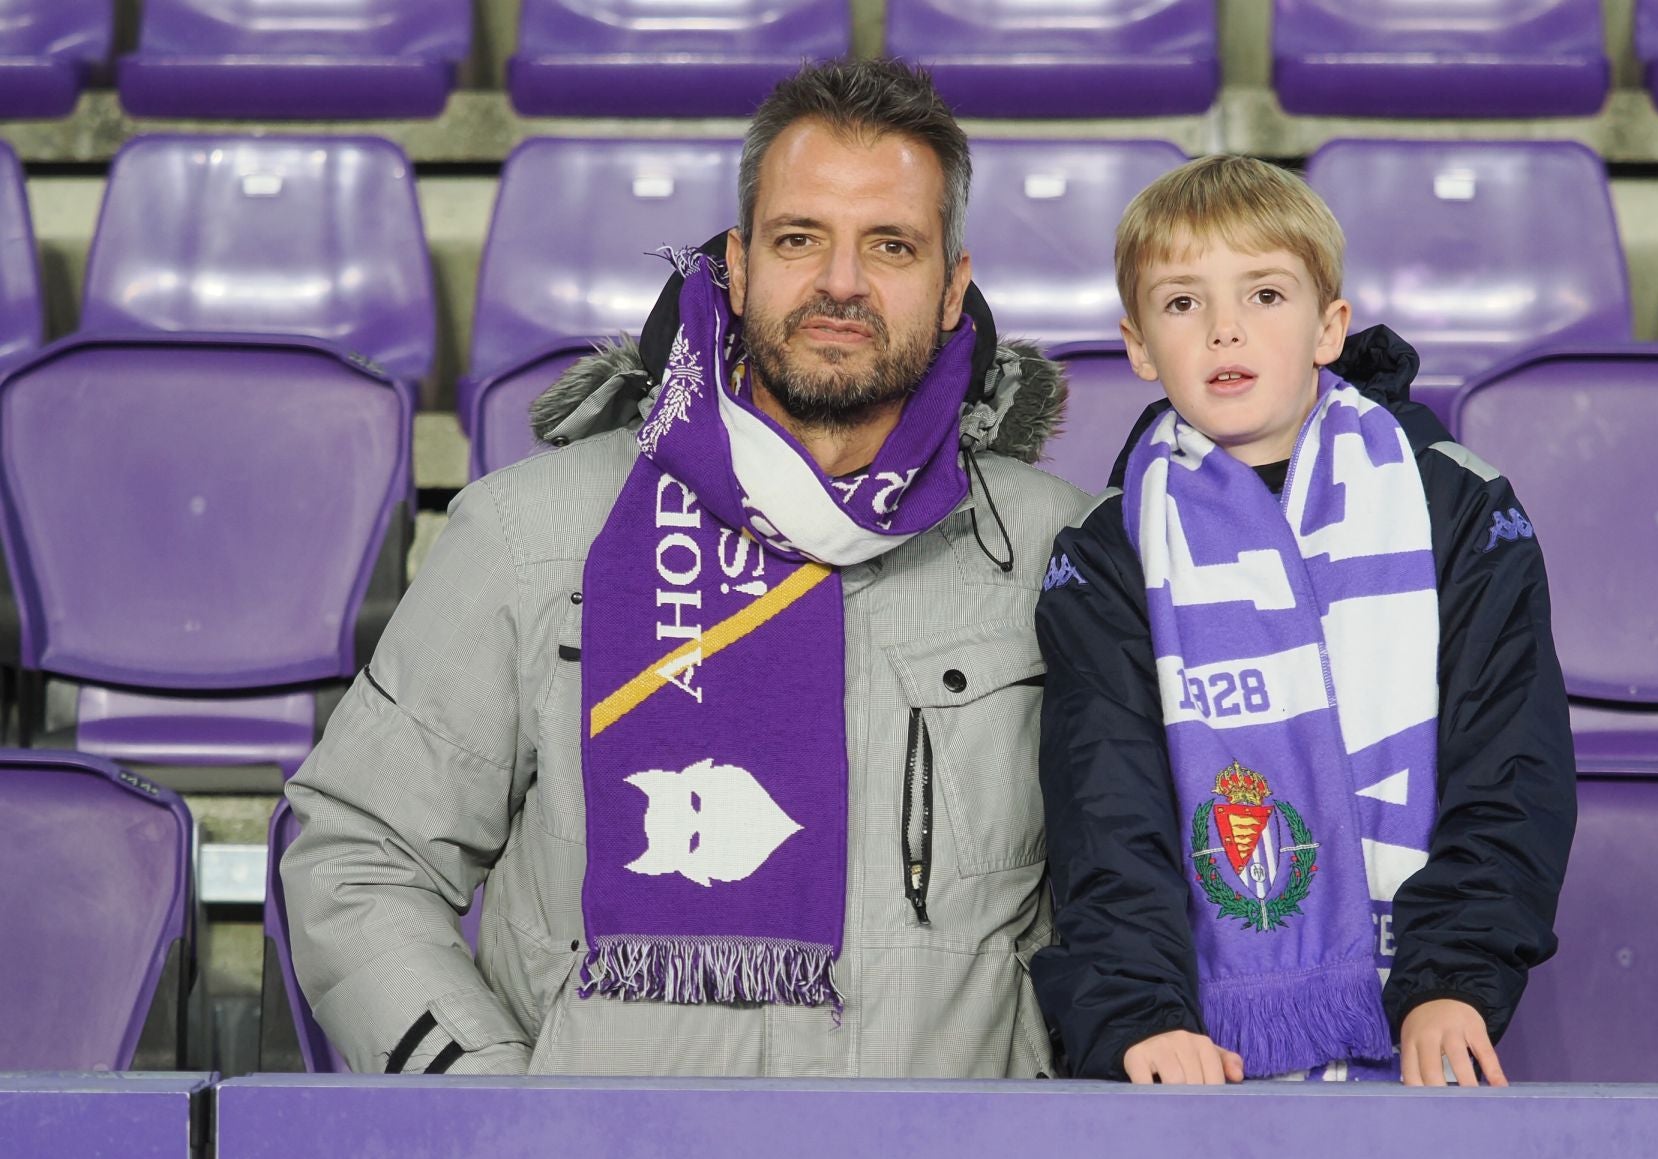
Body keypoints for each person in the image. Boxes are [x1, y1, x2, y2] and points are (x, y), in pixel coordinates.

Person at [282, 59, 1089, 1077]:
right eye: (802, 240)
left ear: (951, 288)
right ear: (739, 268)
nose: (842, 283)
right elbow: (359, 854)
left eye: (891, 245)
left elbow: (1127, 899)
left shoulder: (1056, 559)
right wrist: (485, 1100)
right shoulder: (530, 535)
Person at [1031, 155, 1575, 1087]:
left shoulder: (1457, 507)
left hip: (1418, 1030)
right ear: (1137, 346)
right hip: (1199, 1042)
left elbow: (1510, 764)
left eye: (1266, 294)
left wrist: (1453, 983)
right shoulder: (1107, 550)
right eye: (1181, 304)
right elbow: (1105, 810)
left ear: (1329, 327)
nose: (1224, 329)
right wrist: (1139, 1017)